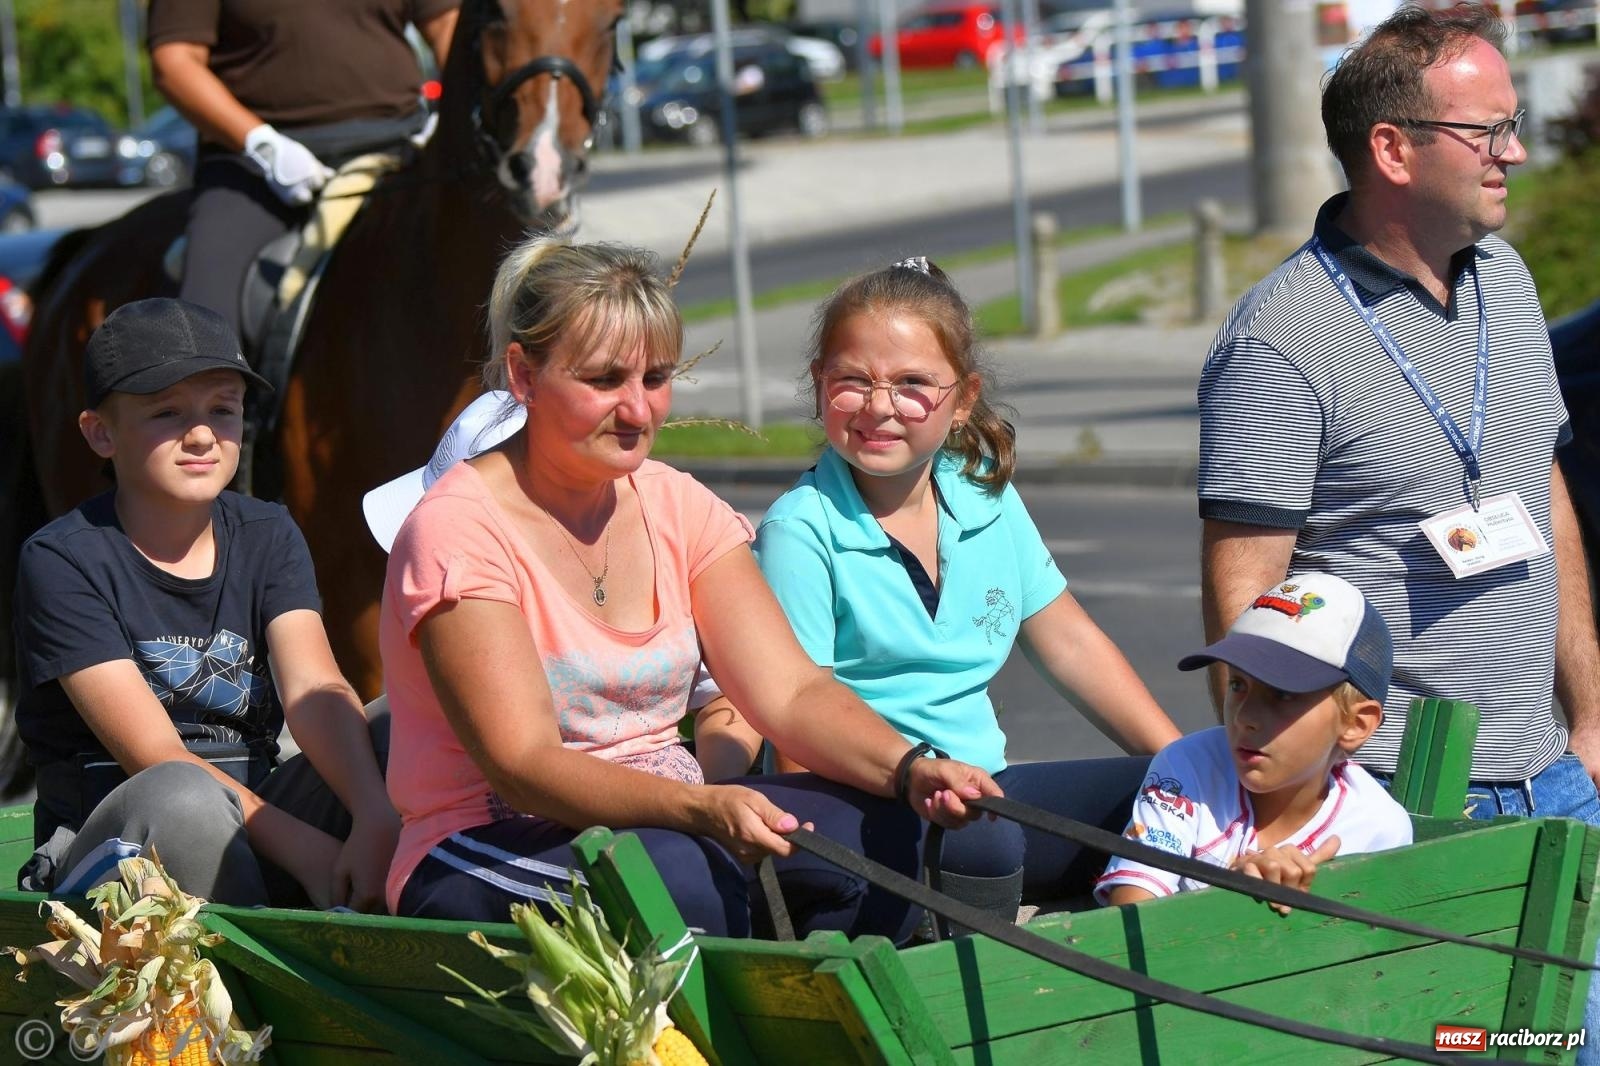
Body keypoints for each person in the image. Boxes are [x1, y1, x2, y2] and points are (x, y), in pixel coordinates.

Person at [372, 237, 1001, 939]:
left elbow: (791, 692)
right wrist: (700, 809)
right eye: (604, 379)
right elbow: (523, 765)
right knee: (681, 880)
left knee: (907, 837)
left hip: (671, 825)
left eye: (655, 378)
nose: (637, 410)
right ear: (524, 374)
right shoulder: (457, 530)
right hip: (484, 844)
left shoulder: (677, 503)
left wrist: (908, 770)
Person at [1197, 4, 1600, 821]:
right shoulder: (1279, 338)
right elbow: (1245, 605)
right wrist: (1293, 809)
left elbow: (1544, 494)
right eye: (1488, 131)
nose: (1514, 152)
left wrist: (1591, 719)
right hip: (1389, 798)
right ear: (1392, 149)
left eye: (1513, 125)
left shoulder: (1507, 278)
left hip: (1556, 777)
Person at [751, 256, 1182, 927]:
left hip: (984, 791)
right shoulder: (800, 531)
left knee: (1168, 798)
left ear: (963, 400)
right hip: (868, 811)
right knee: (984, 838)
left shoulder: (983, 493)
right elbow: (794, 724)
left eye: (912, 384)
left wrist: (1190, 767)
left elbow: (1070, 643)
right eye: (852, 382)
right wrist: (891, 793)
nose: (880, 407)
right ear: (818, 386)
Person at [12, 298, 398, 910]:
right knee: (182, 794)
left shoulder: (268, 531)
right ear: (101, 433)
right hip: (122, 842)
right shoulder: (62, 559)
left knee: (404, 725)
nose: (201, 435)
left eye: (223, 410)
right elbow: (155, 754)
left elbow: (315, 688)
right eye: (166, 412)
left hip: (257, 816)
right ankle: (263, 959)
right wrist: (310, 852)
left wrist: (375, 815)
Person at [1096, 573, 1413, 912]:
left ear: (1355, 724)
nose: (1244, 717)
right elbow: (1131, 910)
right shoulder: (1189, 766)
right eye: (1237, 685)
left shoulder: (1379, 827)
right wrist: (1230, 897)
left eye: (1283, 694)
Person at [147, 0, 459, 338]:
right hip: (254, 169)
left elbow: (447, 26)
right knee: (206, 322)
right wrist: (263, 146)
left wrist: (452, 114)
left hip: (401, 150)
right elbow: (175, 61)